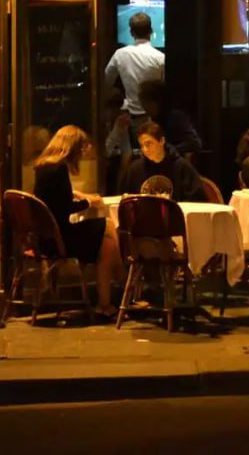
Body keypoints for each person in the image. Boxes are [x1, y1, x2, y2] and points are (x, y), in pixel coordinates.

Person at [31, 126, 124, 317]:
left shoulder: (44, 166)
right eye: (81, 150)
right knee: (107, 233)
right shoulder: (59, 169)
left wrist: (77, 194)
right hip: (60, 239)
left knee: (107, 233)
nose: (82, 155)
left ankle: (116, 291)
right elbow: (65, 207)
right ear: (72, 148)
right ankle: (112, 296)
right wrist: (89, 202)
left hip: (45, 237)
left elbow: (54, 198)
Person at [103, 12, 166, 148]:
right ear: (151, 31)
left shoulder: (120, 54)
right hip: (155, 118)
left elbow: (105, 82)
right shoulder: (161, 57)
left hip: (129, 117)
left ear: (131, 33)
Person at [120, 121, 205, 202]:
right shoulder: (135, 169)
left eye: (148, 144)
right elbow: (125, 199)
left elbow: (196, 199)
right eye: (142, 145)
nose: (145, 150)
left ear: (161, 141)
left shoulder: (181, 166)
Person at [137, 80, 201, 157]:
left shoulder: (176, 117)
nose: (144, 107)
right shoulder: (151, 121)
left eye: (147, 103)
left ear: (158, 101)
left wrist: (169, 150)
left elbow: (195, 143)